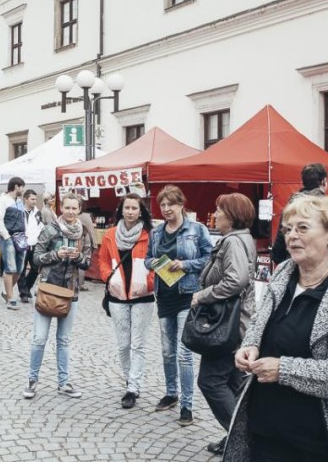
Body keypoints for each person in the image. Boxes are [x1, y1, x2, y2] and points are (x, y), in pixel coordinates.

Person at [226, 195, 328, 462]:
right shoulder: (283, 273)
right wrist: (250, 344)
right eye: (288, 229)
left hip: (318, 444)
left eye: (302, 228)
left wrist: (285, 370)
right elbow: (260, 320)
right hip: (264, 434)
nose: (291, 236)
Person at [190, 193, 257, 455]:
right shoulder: (241, 239)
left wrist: (202, 295)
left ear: (232, 216)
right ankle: (239, 436)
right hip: (235, 323)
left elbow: (236, 280)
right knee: (235, 383)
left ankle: (243, 439)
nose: (215, 215)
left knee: (211, 381)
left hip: (227, 325)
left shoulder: (233, 242)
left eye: (219, 211)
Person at [146, 185, 212, 427]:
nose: (166, 209)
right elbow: (147, 259)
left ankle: (187, 405)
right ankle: (171, 393)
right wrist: (154, 263)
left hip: (187, 294)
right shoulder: (156, 232)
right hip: (164, 295)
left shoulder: (196, 230)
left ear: (181, 205)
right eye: (162, 205)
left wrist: (185, 265)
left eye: (170, 205)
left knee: (184, 354)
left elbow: (209, 258)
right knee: (167, 351)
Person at [23, 192, 92, 400]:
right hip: (48, 289)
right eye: (67, 207)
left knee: (63, 340)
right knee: (39, 338)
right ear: (62, 208)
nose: (71, 212)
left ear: (79, 210)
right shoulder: (50, 230)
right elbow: (35, 260)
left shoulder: (84, 234)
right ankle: (32, 381)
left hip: (71, 293)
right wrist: (56, 255)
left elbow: (87, 263)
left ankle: (64, 382)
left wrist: (77, 256)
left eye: (74, 208)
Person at [98, 193, 154, 409]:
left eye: (134, 208)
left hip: (143, 297)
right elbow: (102, 259)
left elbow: (156, 262)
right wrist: (108, 277)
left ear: (141, 211)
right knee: (123, 345)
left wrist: (149, 283)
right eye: (127, 207)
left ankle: (133, 387)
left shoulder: (149, 235)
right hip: (118, 296)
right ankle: (129, 378)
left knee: (138, 344)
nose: (130, 212)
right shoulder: (111, 235)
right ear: (121, 210)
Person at [271, 163, 328, 265]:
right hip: (318, 264)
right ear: (324, 181)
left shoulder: (291, 205)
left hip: (294, 262)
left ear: (302, 182)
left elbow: (280, 239)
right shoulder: (326, 206)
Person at [0, 176, 26, 310]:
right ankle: (11, 299)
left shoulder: (19, 201)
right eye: (22, 187)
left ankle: (8, 292)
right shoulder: (2, 201)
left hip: (21, 237)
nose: (23, 189)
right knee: (10, 268)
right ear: (16, 187)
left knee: (19, 268)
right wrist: (6, 236)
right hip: (9, 237)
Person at [18, 189, 44, 302]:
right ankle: (23, 293)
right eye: (32, 199)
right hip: (22, 244)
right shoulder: (19, 211)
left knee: (35, 268)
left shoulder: (38, 213)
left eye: (35, 199)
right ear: (26, 199)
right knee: (21, 269)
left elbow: (41, 227)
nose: (34, 201)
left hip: (34, 244)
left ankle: (27, 288)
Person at [76, 210, 98, 291]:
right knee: (83, 260)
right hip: (84, 239)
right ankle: (80, 284)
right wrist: (94, 243)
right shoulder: (86, 216)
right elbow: (90, 230)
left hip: (76, 239)